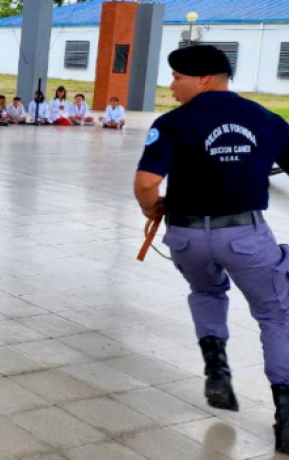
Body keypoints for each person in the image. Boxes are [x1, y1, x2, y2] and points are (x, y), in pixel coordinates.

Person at [134, 45, 289, 455]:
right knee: (276, 316)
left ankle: (216, 367)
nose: (171, 86)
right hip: (245, 236)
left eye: (177, 77)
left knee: (205, 292)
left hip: (186, 238)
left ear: (203, 78)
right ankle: (287, 417)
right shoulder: (267, 120)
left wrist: (153, 209)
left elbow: (148, 183)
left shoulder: (172, 123)